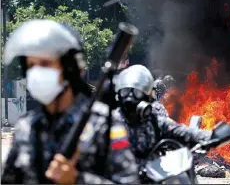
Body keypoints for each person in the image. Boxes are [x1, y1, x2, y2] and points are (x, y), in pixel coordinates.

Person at [1, 19, 139, 184]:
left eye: (46, 63)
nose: (36, 72)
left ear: (69, 68)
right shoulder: (26, 127)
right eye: (31, 65)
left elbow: (130, 181)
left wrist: (78, 179)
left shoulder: (104, 124)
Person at [113, 65, 212, 167]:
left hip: (150, 176)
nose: (130, 98)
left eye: (137, 93)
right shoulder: (108, 122)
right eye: (125, 92)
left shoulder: (154, 121)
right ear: (118, 95)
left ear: (147, 97)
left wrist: (213, 136)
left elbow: (180, 131)